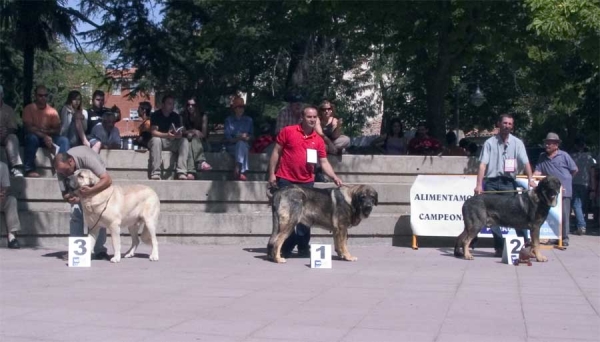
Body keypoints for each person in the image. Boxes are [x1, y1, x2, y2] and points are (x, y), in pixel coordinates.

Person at [268, 106, 343, 258]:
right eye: (309, 117)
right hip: (286, 180)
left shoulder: (318, 140)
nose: (312, 119)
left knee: (306, 218)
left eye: (315, 117)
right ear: (302, 117)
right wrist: (271, 174)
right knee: (287, 217)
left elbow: (324, 162)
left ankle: (303, 247)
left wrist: (334, 176)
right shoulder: (288, 131)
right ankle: (283, 247)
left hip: (307, 182)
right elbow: (276, 152)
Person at [475, 114, 536, 256]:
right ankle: (500, 247)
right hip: (491, 183)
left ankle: (525, 246)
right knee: (493, 217)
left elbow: (526, 162)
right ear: (498, 124)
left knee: (517, 214)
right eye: (504, 123)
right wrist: (479, 184)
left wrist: (531, 179)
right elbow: (482, 165)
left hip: (509, 183)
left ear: (512, 126)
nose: (507, 126)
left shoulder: (517, 143)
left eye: (509, 124)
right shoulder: (489, 143)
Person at [54, 146, 111, 259]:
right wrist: (70, 198)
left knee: (98, 214)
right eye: (61, 172)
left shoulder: (87, 158)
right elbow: (65, 193)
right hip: (78, 186)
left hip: (96, 181)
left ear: (71, 161)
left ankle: (100, 250)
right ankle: (76, 251)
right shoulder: (61, 170)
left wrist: (90, 191)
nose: (64, 174)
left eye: (66, 171)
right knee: (75, 212)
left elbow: (107, 180)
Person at [534, 132, 578, 246]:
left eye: (550, 143)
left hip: (564, 191)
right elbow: (537, 172)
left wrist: (566, 181)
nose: (547, 145)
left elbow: (575, 170)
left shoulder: (564, 155)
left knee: (564, 215)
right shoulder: (542, 157)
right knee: (552, 214)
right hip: (549, 193)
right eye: (546, 143)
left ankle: (564, 238)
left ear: (556, 145)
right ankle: (555, 236)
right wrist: (531, 179)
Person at [22, 85, 70, 177]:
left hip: (49, 137)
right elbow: (29, 128)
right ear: (35, 96)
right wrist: (44, 135)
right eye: (40, 95)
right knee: (31, 138)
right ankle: (29, 169)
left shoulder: (52, 111)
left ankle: (63, 168)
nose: (43, 98)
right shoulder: (29, 109)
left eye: (45, 95)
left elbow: (57, 129)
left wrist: (48, 133)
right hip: (35, 137)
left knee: (64, 140)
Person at [148, 94, 190, 180]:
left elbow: (178, 130)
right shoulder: (155, 115)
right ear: (163, 104)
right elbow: (153, 132)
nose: (172, 106)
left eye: (173, 104)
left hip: (172, 141)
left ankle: (181, 172)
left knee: (184, 141)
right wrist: (166, 135)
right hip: (160, 141)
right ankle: (156, 172)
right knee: (156, 140)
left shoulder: (175, 116)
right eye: (169, 104)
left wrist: (178, 134)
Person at [570, 138, 597, 235]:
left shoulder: (571, 157)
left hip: (573, 183)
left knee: (576, 204)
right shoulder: (589, 158)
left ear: (575, 146)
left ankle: (581, 225)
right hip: (585, 184)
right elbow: (592, 173)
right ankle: (581, 223)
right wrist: (593, 187)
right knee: (582, 205)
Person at [181, 97, 212, 179]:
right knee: (189, 143)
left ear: (196, 106)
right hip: (188, 142)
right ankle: (200, 164)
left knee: (193, 139)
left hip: (203, 144)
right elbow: (182, 132)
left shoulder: (203, 116)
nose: (190, 107)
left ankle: (192, 171)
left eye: (193, 105)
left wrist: (193, 134)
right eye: (188, 105)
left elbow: (204, 135)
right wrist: (193, 131)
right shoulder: (183, 116)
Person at [224, 96, 253, 181]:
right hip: (232, 146)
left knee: (242, 144)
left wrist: (247, 138)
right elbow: (228, 138)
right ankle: (243, 172)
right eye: (239, 107)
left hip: (245, 144)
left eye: (242, 107)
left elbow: (252, 136)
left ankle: (237, 167)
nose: (241, 109)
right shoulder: (229, 120)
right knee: (240, 144)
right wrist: (238, 138)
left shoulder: (249, 120)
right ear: (234, 109)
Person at [0, 85, 24, 177]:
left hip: (5, 135)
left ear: (2, 95)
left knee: (13, 138)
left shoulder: (8, 109)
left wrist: (6, 131)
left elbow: (13, 128)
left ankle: (16, 167)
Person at [0, 161, 21, 248]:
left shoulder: (2, 166)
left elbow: (5, 187)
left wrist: (2, 194)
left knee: (11, 200)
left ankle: (12, 236)